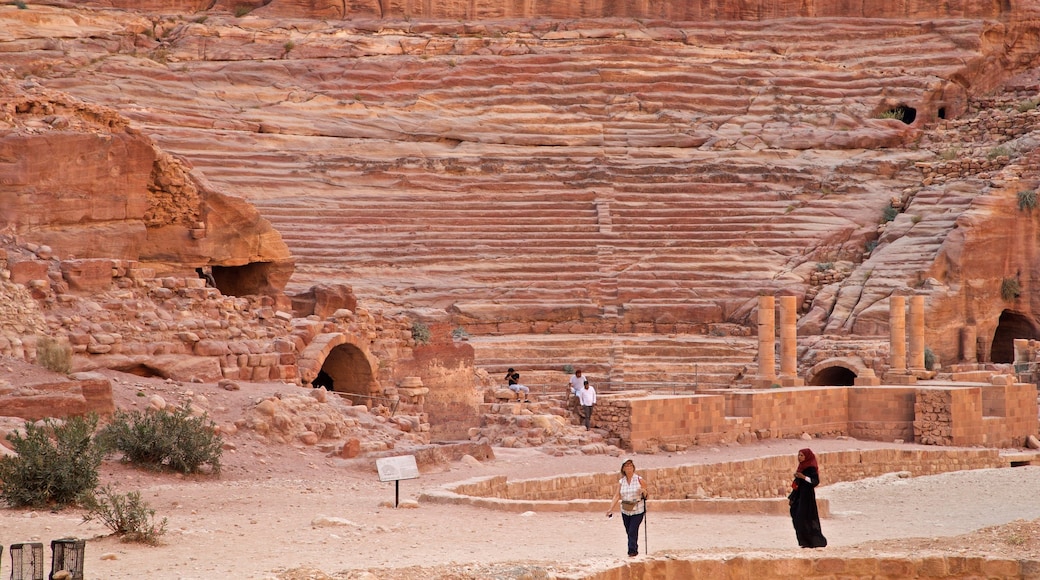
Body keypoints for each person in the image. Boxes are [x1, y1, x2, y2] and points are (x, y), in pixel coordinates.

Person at [606, 459, 648, 557]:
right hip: (625, 510)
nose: (629, 468)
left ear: (633, 467)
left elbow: (646, 494)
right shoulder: (621, 482)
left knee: (632, 530)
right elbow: (617, 495)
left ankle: (632, 552)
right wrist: (610, 508)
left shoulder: (639, 480)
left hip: (638, 510)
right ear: (623, 469)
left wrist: (643, 491)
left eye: (630, 465)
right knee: (629, 531)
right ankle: (634, 549)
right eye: (626, 466)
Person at [789, 448, 828, 548]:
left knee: (807, 518)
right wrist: (792, 497)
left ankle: (815, 541)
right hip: (799, 496)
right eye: (799, 455)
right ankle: (804, 542)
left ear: (807, 456)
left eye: (802, 455)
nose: (799, 457)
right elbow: (797, 484)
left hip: (807, 498)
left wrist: (803, 477)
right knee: (797, 517)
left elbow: (815, 481)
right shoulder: (801, 467)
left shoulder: (811, 468)